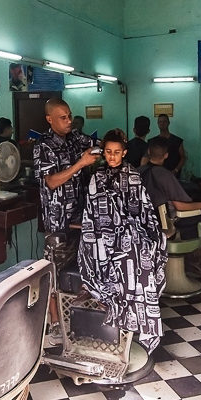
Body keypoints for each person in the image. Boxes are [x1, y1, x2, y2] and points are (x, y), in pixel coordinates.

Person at [78, 129, 167, 352]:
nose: (112, 156)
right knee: (104, 255)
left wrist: (129, 226)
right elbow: (92, 211)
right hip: (101, 233)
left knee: (140, 256)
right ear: (103, 153)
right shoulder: (96, 176)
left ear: (124, 153)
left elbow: (142, 208)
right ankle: (119, 317)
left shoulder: (132, 175)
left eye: (117, 152)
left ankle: (142, 325)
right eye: (108, 152)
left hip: (131, 230)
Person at [33, 98, 98, 337]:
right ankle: (56, 325)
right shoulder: (44, 146)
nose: (69, 121)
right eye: (63, 117)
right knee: (54, 274)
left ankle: (80, 319)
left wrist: (111, 146)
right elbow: (51, 181)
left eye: (70, 116)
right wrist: (80, 163)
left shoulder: (75, 138)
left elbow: (96, 144)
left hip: (80, 219)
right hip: (58, 222)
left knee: (83, 270)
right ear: (50, 119)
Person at [141, 138, 201, 256]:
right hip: (169, 222)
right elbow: (180, 206)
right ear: (166, 155)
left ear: (148, 152)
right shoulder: (165, 175)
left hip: (147, 220)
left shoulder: (138, 172)